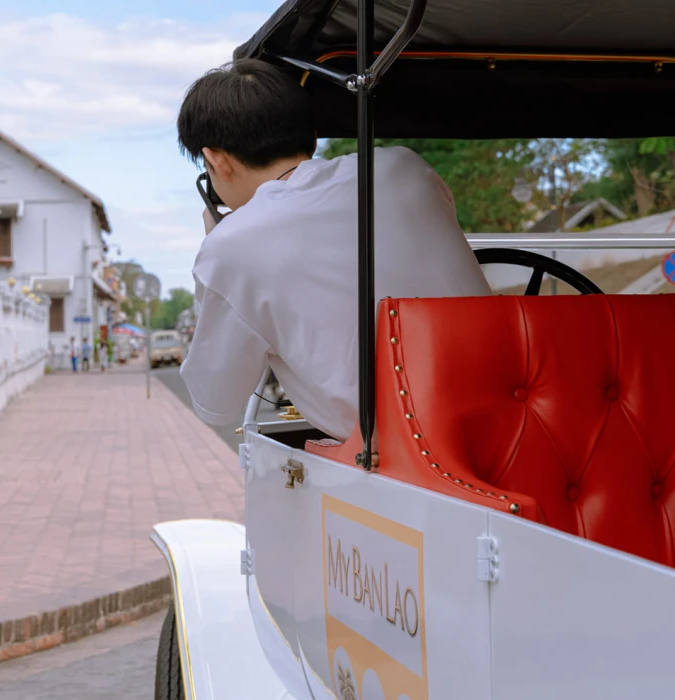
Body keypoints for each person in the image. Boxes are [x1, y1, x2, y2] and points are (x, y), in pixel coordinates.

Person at [176, 59, 491, 441]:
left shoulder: (231, 246)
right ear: (310, 135)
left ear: (216, 160)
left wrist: (213, 249)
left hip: (399, 453)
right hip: (504, 413)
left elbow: (215, 405)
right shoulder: (404, 168)